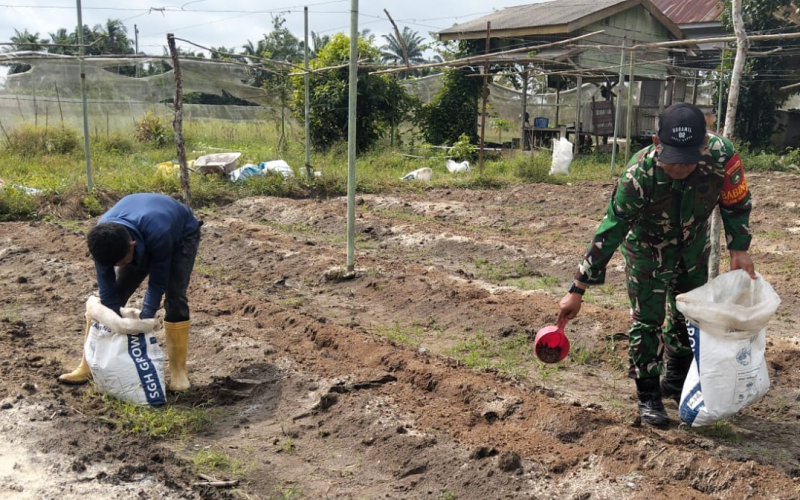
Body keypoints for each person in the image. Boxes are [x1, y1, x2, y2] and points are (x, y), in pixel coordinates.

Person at [557, 103, 756, 427]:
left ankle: (676, 381)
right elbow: (611, 230)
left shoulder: (722, 156)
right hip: (647, 250)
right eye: (672, 160)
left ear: (703, 145)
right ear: (656, 142)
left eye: (688, 160)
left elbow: (736, 203)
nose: (680, 168)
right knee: (647, 321)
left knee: (688, 313)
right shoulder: (638, 175)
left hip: (693, 247)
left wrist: (739, 248)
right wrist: (577, 288)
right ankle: (648, 394)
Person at [59, 193, 202, 392]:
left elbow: (157, 283)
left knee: (175, 297)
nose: (119, 266)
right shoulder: (103, 239)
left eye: (122, 262)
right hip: (141, 229)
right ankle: (89, 364)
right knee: (110, 301)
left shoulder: (160, 233)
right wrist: (112, 319)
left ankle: (178, 371)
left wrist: (145, 319)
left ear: (132, 246)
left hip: (180, 233)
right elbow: (108, 293)